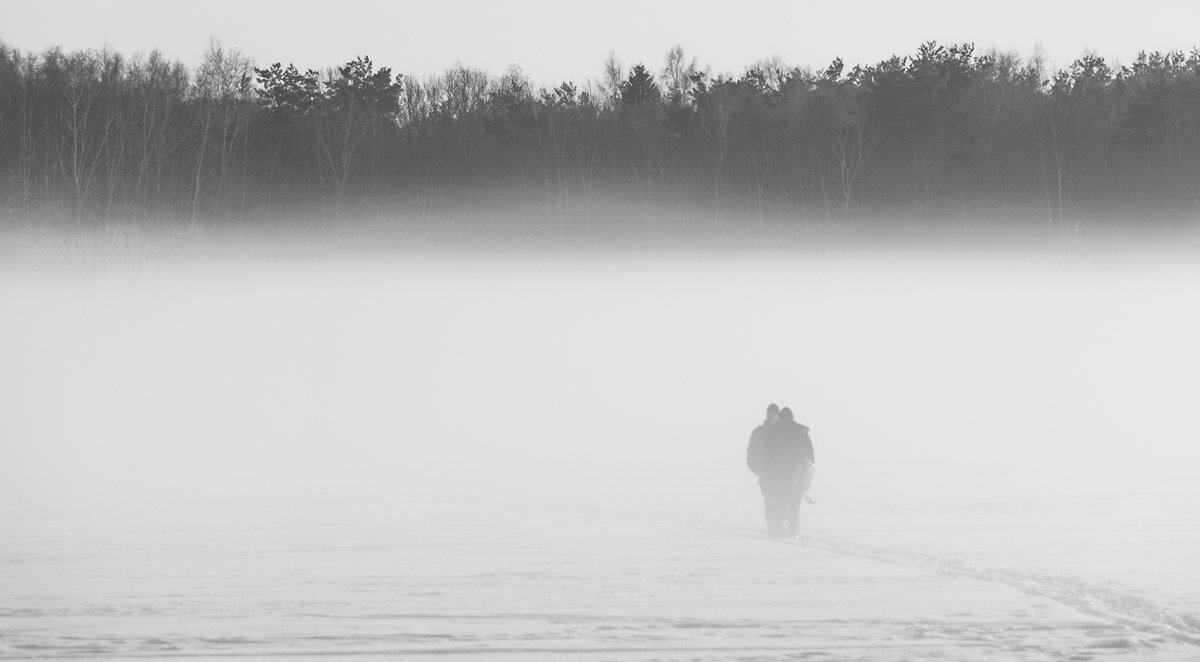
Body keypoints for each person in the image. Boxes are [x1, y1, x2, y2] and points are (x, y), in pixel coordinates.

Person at [752, 406, 815, 538]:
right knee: (794, 505)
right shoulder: (801, 431)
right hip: (796, 476)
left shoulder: (773, 431)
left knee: (780, 502)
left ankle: (781, 528)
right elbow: (810, 456)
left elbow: (767, 455)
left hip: (778, 476)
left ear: (780, 418)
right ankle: (794, 532)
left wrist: (766, 474)